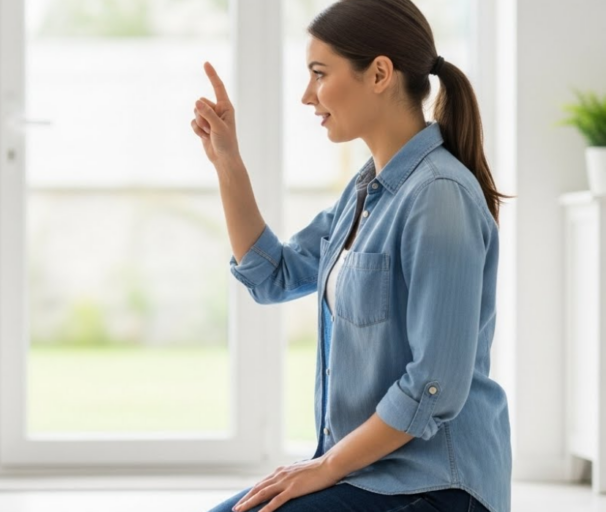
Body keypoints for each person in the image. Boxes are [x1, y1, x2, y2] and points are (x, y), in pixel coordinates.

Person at [191, 1, 511, 511]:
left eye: (320, 74)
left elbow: (434, 385)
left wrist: (324, 467)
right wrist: (227, 160)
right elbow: (273, 275)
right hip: (369, 472)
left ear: (380, 73)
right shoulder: (367, 191)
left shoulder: (439, 195)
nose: (306, 96)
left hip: (434, 485)